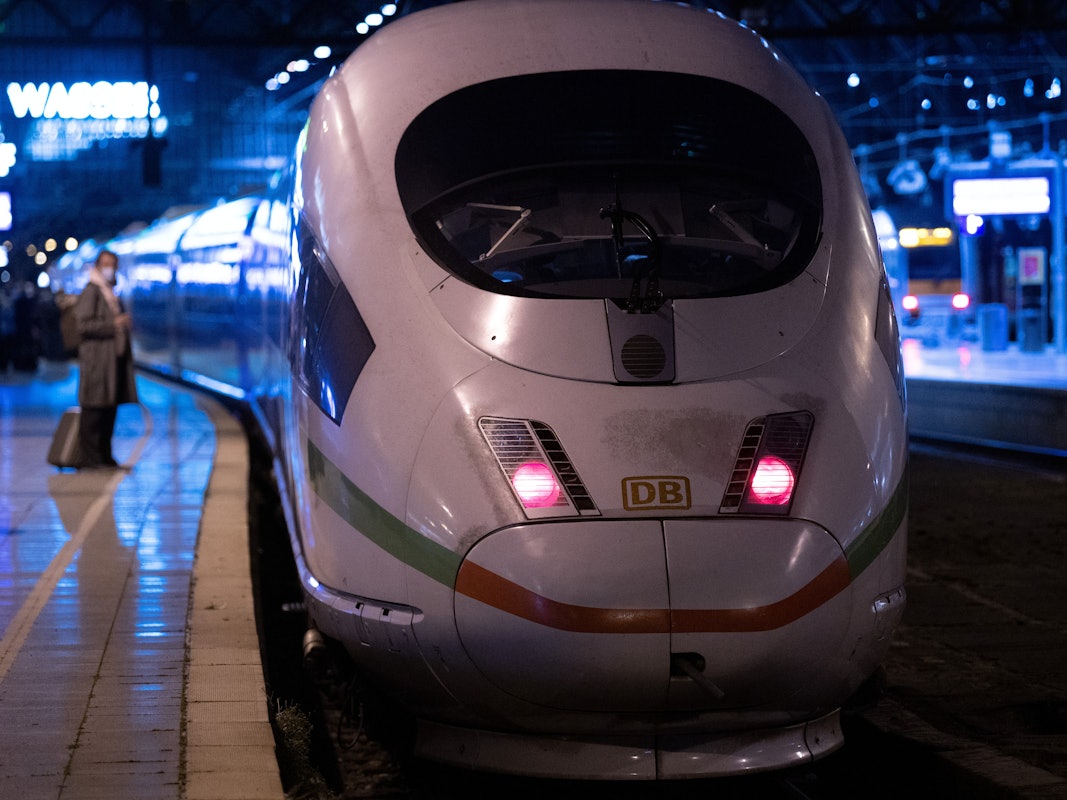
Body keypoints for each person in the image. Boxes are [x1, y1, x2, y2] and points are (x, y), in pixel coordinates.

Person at [75, 249, 138, 468]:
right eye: (106, 264)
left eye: (113, 264)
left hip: (113, 361)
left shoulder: (110, 292)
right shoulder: (92, 291)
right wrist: (114, 324)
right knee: (94, 410)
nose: (110, 268)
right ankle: (91, 459)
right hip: (97, 362)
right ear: (98, 266)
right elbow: (82, 326)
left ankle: (105, 457)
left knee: (108, 409)